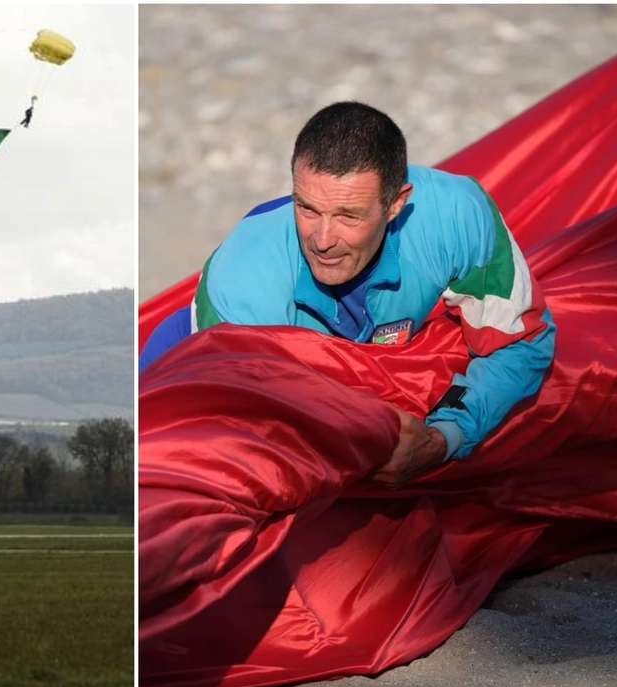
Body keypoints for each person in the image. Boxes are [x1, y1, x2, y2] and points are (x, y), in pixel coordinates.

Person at [139, 101, 555, 487]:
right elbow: (251, 439)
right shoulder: (246, 278)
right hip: (196, 376)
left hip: (358, 371)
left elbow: (522, 342)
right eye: (306, 208)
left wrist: (442, 437)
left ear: (396, 204)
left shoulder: (456, 217)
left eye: (348, 216)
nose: (322, 240)